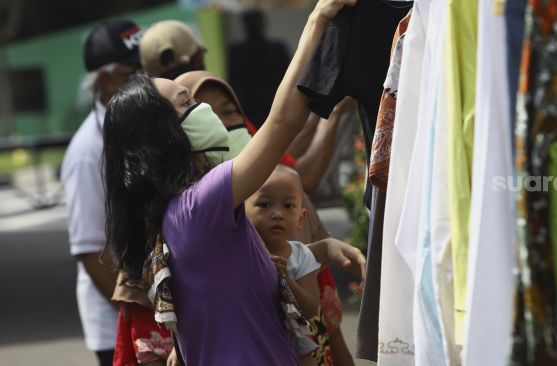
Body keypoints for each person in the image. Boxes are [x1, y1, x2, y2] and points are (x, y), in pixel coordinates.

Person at [102, 0, 359, 364]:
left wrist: (324, 249)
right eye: (187, 101)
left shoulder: (176, 214)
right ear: (166, 134)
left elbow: (245, 278)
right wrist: (317, 19)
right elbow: (283, 122)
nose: (202, 108)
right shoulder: (200, 206)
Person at [176, 70, 356, 365]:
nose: (277, 213)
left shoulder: (273, 179)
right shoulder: (185, 223)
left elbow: (323, 319)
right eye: (205, 113)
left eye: (229, 111)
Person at [60, 19, 143, 366]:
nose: (144, 80)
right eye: (132, 73)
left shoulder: (139, 123)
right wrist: (139, 314)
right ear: (105, 78)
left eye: (145, 69)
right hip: (119, 324)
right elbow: (90, 251)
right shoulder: (86, 152)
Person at [245, 165, 322, 365]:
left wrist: (288, 279)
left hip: (292, 341)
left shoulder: (301, 257)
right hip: (247, 338)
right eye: (264, 204)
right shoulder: (238, 254)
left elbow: (312, 309)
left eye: (288, 206)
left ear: (301, 218)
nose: (278, 214)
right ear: (243, 210)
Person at [228, 9, 291, 128]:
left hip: (273, 104)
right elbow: (233, 80)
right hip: (248, 107)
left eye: (255, 22)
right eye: (249, 23)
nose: (253, 26)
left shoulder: (277, 48)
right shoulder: (236, 50)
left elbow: (289, 78)